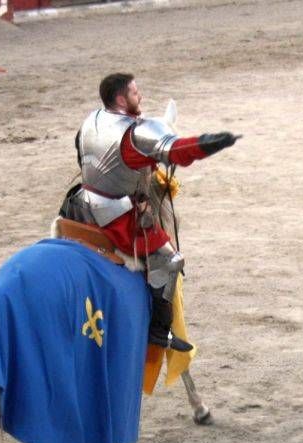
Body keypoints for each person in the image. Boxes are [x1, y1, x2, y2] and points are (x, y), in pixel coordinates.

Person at [62, 72, 237, 352]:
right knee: (171, 261)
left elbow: (81, 156)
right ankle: (158, 331)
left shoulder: (91, 121)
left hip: (80, 206)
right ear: (121, 98)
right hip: (115, 216)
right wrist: (209, 143)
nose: (139, 96)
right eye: (134, 92)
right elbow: (176, 151)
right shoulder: (133, 133)